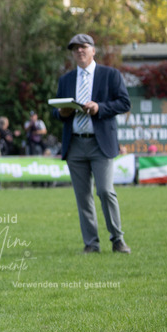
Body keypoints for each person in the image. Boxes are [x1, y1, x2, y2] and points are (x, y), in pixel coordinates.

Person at [55, 34, 132, 254]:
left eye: (84, 47)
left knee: (106, 191)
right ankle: (91, 243)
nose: (79, 51)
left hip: (101, 143)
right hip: (75, 144)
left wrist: (100, 108)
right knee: (83, 196)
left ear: (93, 50)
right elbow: (57, 110)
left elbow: (124, 102)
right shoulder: (66, 80)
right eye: (75, 48)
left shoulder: (110, 75)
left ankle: (117, 239)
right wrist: (61, 112)